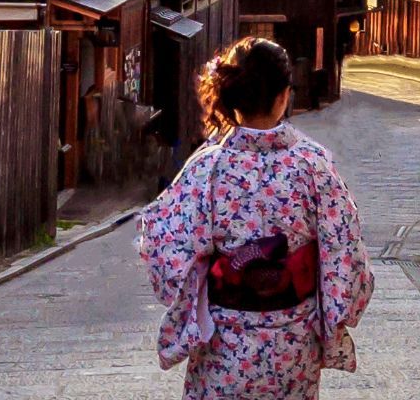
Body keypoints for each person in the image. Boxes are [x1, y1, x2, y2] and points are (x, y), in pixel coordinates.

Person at [135, 39, 374, 399]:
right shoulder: (313, 164)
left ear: (231, 97)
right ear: (283, 97)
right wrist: (343, 308)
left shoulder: (207, 168)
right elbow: (346, 253)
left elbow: (164, 249)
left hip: (224, 340)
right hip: (293, 343)